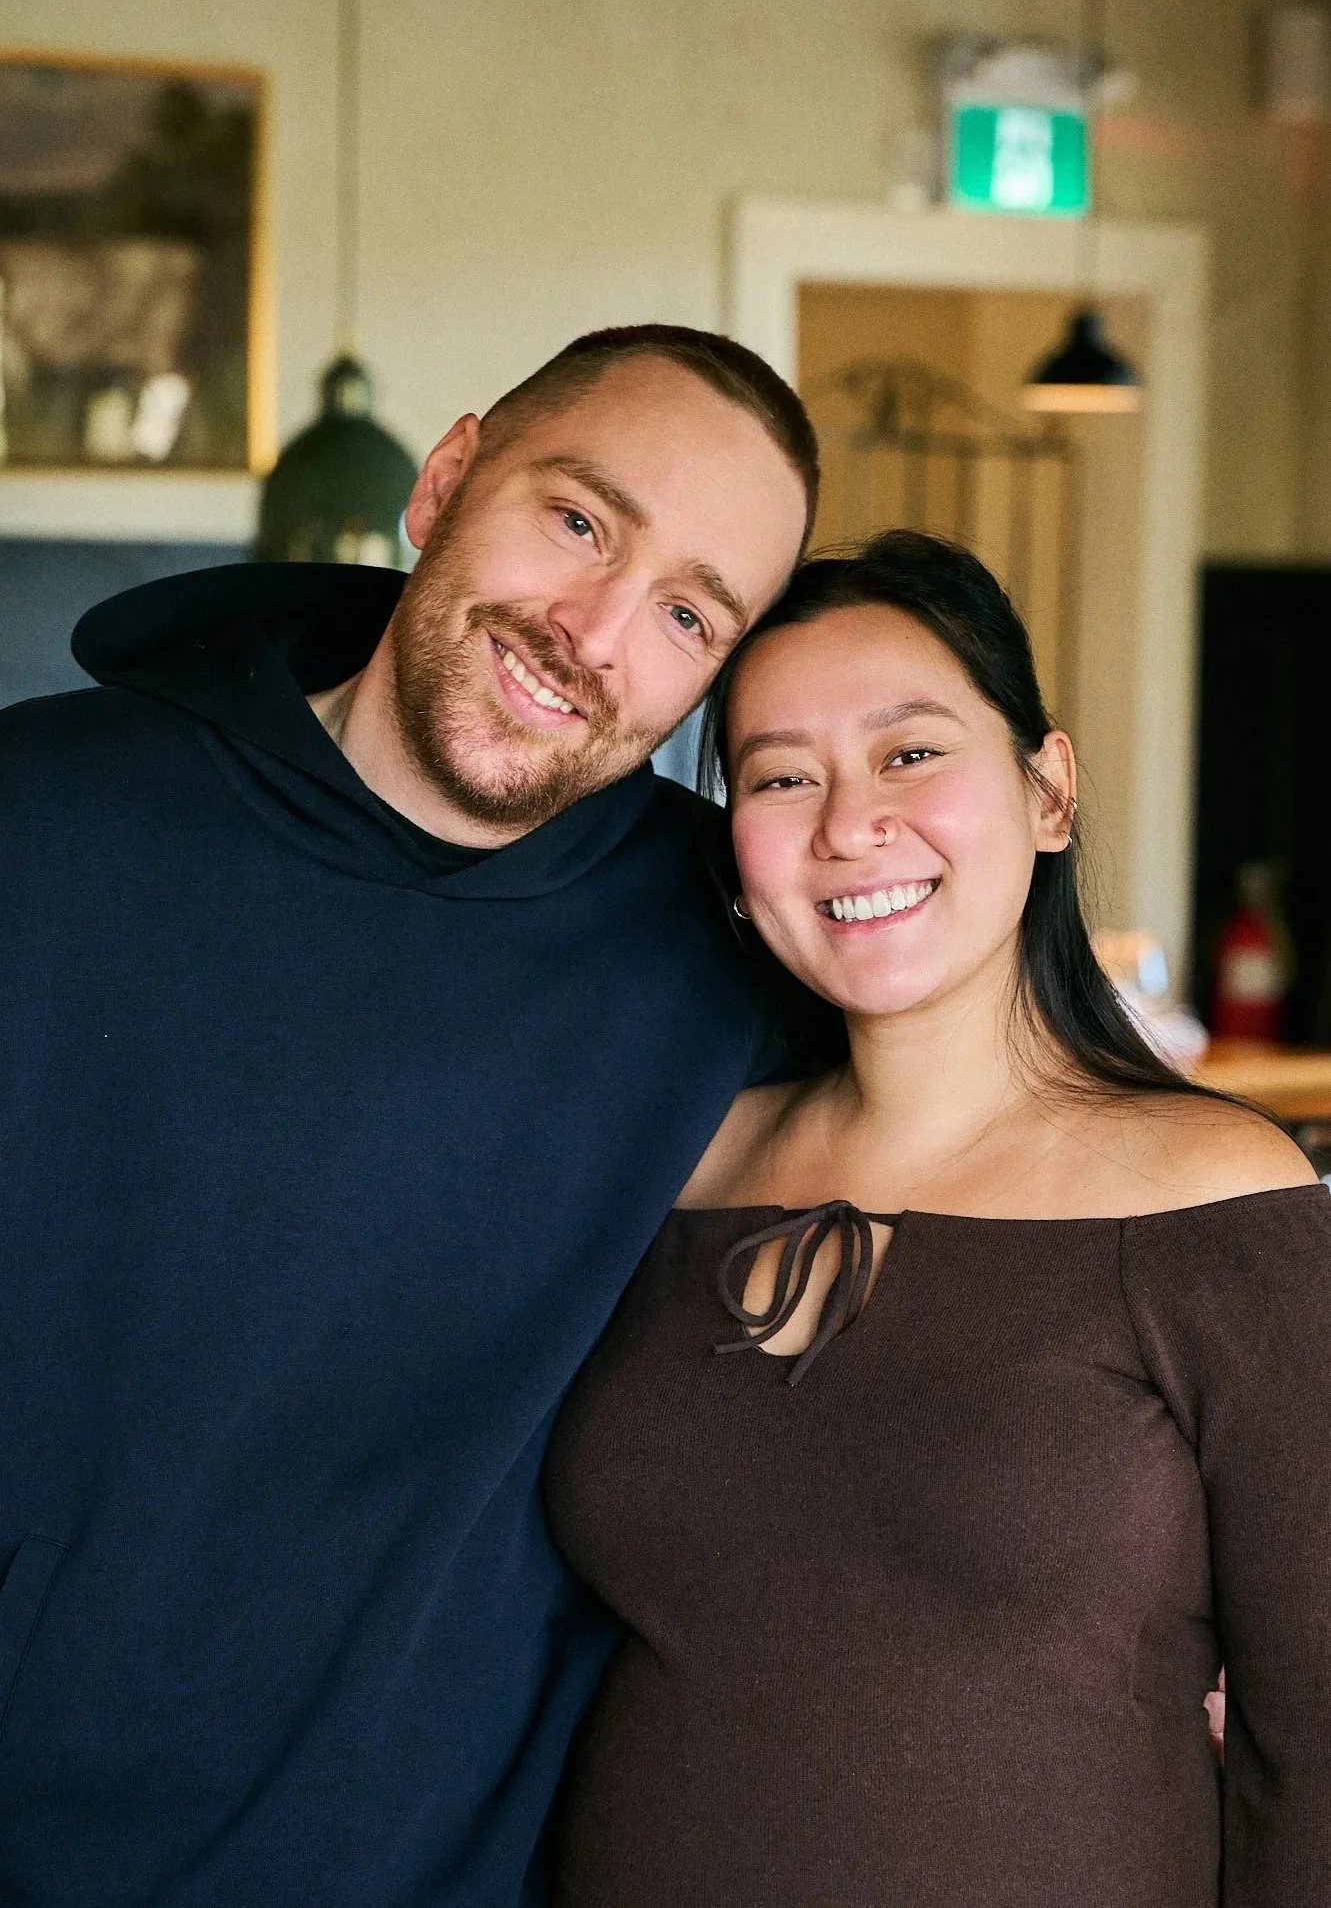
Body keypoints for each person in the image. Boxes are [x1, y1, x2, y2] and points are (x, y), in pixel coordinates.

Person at [0, 325, 816, 1907]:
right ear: (444, 482)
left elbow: (999, 1199)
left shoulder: (735, 956)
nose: (591, 631)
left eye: (686, 614)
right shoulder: (39, 822)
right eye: (578, 521)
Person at [546, 530, 1331, 1908]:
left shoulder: (1216, 1201)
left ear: (1047, 790)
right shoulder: (662, 1176)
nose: (848, 822)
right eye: (782, 776)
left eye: (909, 752)